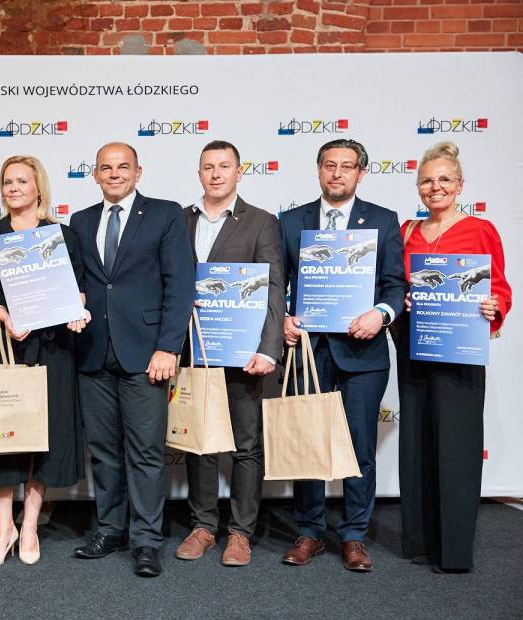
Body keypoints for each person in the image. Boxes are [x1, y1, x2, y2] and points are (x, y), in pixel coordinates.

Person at [279, 138, 405, 572]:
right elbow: (279, 282)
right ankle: (310, 531)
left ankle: (353, 535)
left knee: (359, 445)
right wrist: (283, 318)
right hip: (308, 349)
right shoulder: (290, 221)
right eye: (329, 165)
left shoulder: (383, 220)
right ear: (319, 170)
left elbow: (395, 285)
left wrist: (381, 314)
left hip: (362, 351)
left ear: (360, 173)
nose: (337, 173)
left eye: (346, 166)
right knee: (308, 441)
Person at [70, 142, 194, 577]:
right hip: (93, 353)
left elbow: (180, 284)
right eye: (106, 167)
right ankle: (110, 529)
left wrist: (168, 347)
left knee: (145, 453)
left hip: (146, 354)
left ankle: (146, 540)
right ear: (95, 174)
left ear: (138, 172)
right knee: (104, 452)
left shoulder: (164, 214)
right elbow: (80, 283)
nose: (115, 174)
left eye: (124, 167)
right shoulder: (81, 220)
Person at [0, 155, 89, 567]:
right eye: (7, 182)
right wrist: (4, 316)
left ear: (38, 188)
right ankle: (4, 530)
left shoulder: (62, 236)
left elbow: (79, 290)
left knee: (43, 437)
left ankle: (30, 525)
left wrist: (74, 309)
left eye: (21, 181)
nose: (13, 188)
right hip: (2, 345)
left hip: (51, 348)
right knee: (0, 437)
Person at [396, 142, 511, 573]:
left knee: (458, 448)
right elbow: (394, 284)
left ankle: (455, 551)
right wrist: (402, 299)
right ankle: (420, 543)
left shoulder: (481, 229)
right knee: (416, 444)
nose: (436, 187)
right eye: (427, 180)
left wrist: (494, 307)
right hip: (415, 347)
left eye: (445, 179)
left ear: (460, 185)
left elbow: (499, 288)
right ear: (418, 187)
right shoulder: (407, 231)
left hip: (461, 352)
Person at [176, 140, 285, 566]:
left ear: (239, 172)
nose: (216, 174)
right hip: (195, 349)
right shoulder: (180, 220)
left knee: (246, 445)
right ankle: (203, 526)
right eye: (208, 167)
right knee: (199, 441)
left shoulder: (261, 222)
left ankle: (240, 533)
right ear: (199, 173)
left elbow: (273, 287)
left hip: (243, 352)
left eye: (224, 166)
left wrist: (269, 349)